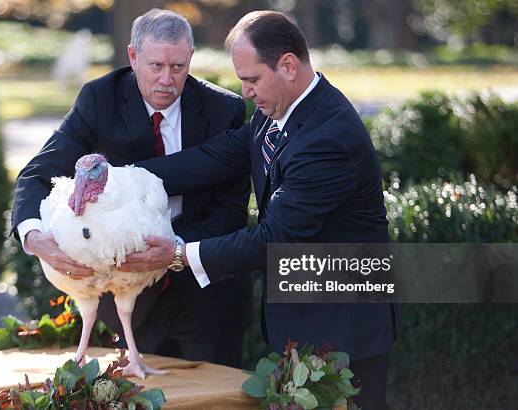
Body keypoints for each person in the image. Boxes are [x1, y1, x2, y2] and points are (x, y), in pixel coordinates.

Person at [122, 11, 395, 409]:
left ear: (287, 65)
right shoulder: (275, 116)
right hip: (299, 322)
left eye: (252, 80)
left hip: (344, 329)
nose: (246, 93)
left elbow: (274, 238)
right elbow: (212, 159)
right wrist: (119, 179)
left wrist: (178, 254)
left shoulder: (328, 139)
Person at [11, 8, 253, 368]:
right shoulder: (99, 100)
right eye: (156, 66)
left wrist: (175, 251)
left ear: (190, 60)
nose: (166, 80)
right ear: (133, 57)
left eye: (178, 68)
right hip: (129, 306)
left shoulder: (224, 110)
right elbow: (38, 172)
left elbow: (230, 210)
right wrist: (33, 236)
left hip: (207, 299)